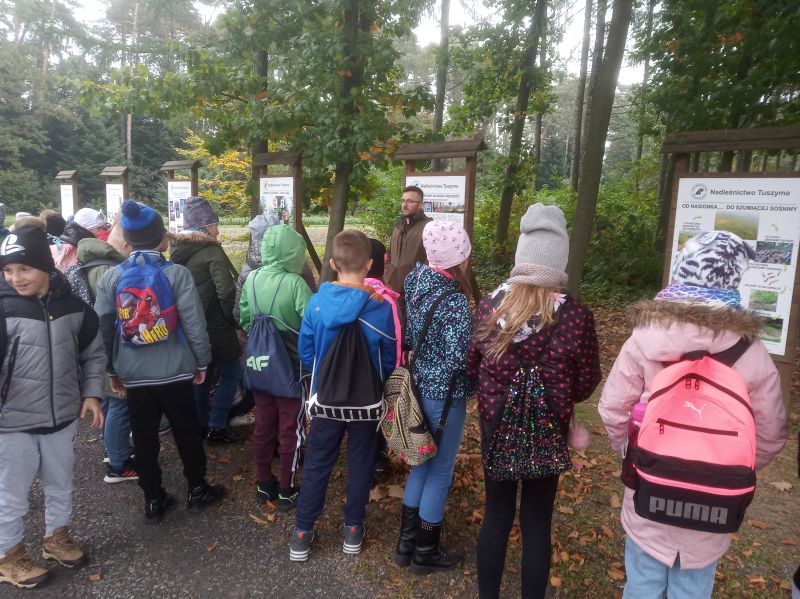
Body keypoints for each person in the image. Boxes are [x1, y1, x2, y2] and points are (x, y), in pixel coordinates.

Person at [599, 230, 788, 599]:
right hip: (714, 504)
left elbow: (612, 409)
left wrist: (633, 455)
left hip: (649, 491)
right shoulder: (752, 353)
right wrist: (730, 468)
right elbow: (770, 433)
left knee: (642, 584)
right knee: (692, 590)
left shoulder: (645, 339)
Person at [467, 204, 601, 599]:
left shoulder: (490, 306)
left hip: (496, 422)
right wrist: (559, 393)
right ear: (560, 260)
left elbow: (471, 364)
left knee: (496, 513)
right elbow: (586, 381)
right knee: (537, 521)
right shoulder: (575, 316)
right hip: (549, 425)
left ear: (521, 256)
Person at [94, 200, 224, 523]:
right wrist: (202, 362)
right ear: (161, 238)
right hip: (175, 371)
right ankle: (197, 489)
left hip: (134, 374)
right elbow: (194, 324)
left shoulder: (112, 278)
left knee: (144, 437)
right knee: (186, 431)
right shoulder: (177, 274)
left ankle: (153, 499)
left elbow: (104, 330)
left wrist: (111, 370)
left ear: (127, 240)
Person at [0, 225, 105, 589]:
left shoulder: (74, 308)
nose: (16, 277)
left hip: (62, 417)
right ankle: (8, 556)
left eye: (24, 268)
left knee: (60, 484)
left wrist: (92, 393)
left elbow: (93, 354)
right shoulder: (4, 308)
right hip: (12, 423)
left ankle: (56, 538)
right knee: (11, 495)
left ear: (46, 266)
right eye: (8, 270)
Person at [289, 229, 395, 562]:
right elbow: (388, 358)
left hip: (326, 401)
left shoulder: (317, 303)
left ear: (333, 264)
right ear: (369, 264)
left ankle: (302, 533)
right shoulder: (381, 308)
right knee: (362, 461)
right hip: (366, 402)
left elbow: (306, 352)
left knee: (318, 462)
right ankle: (352, 529)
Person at [396, 220, 474, 575]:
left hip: (418, 386)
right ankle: (425, 551)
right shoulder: (455, 301)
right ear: (460, 257)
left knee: (421, 462)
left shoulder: (415, 280)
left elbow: (412, 335)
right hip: (445, 396)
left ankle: (406, 544)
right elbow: (460, 360)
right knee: (440, 470)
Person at [239, 224, 312, 510]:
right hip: (292, 369)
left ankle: (263, 482)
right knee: (291, 429)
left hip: (261, 366)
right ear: (294, 252)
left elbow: (245, 319)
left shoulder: (252, 278)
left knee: (263, 424)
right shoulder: (295, 283)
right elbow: (310, 324)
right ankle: (286, 488)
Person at [170, 196, 242, 445]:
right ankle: (217, 426)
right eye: (215, 225)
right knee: (232, 372)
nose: (217, 230)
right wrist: (231, 319)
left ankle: (200, 424)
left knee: (201, 374)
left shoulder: (176, 250)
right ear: (204, 226)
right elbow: (226, 291)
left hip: (189, 324)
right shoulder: (211, 250)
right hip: (215, 324)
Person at [76, 215, 137, 484]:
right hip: (108, 347)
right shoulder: (107, 269)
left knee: (113, 403)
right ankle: (118, 464)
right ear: (125, 245)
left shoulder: (96, 260)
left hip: (99, 346)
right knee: (120, 404)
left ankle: (112, 449)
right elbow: (109, 318)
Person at [234, 212, 317, 322]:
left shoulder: (248, 273)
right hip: (293, 329)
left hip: (257, 330)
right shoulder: (296, 268)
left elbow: (241, 313)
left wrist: (251, 329)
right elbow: (311, 310)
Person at [365, 237, 401, 475]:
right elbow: (394, 341)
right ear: (381, 263)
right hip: (376, 374)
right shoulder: (385, 299)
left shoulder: (344, 290)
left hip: (344, 373)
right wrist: (394, 375)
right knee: (376, 417)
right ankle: (377, 456)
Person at [384, 185, 431, 313]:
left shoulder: (428, 227)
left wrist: (417, 283)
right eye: (403, 201)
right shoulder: (399, 226)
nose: (405, 205)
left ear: (420, 204)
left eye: (410, 201)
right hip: (393, 289)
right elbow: (390, 252)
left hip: (415, 293)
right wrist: (389, 271)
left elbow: (431, 260)